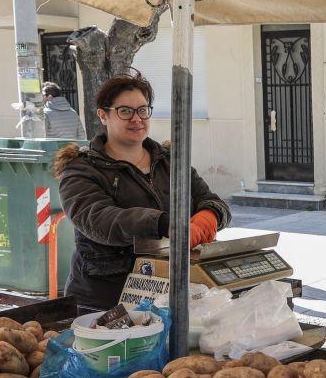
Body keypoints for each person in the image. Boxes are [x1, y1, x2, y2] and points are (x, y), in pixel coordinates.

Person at [54, 70, 230, 310]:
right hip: (106, 299)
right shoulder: (81, 169)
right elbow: (97, 219)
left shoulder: (171, 161)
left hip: (170, 292)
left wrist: (209, 217)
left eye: (142, 110)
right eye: (125, 111)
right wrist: (162, 223)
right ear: (103, 115)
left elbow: (210, 200)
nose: (136, 118)